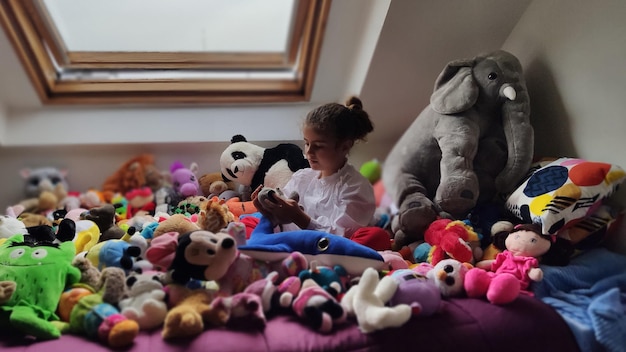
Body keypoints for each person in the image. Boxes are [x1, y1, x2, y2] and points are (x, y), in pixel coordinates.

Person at [251, 96, 391, 251]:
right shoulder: (302, 177)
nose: (309, 152)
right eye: (307, 143)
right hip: (288, 245)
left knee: (375, 237)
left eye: (318, 146)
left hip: (325, 253)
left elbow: (339, 240)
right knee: (249, 222)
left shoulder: (357, 187)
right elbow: (283, 219)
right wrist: (270, 211)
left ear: (345, 146)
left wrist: (298, 217)